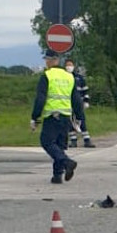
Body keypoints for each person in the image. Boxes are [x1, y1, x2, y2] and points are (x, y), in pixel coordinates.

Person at [31, 50, 84, 184]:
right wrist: (79, 117)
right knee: (59, 145)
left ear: (52, 60)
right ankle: (57, 176)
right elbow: (76, 100)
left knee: (47, 142)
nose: (46, 62)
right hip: (66, 116)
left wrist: (35, 117)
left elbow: (40, 99)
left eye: (47, 59)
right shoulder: (69, 77)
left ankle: (67, 162)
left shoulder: (47, 76)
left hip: (52, 115)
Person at [64, 58, 95, 148]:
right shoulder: (64, 77)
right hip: (67, 103)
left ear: (73, 66)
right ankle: (73, 141)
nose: (69, 67)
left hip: (79, 103)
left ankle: (87, 140)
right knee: (70, 122)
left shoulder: (79, 78)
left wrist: (86, 101)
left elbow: (85, 90)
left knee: (81, 121)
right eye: (67, 65)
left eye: (70, 65)